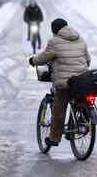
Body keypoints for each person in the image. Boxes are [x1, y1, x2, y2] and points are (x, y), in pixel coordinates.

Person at [29, 18, 91, 146]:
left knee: (59, 108)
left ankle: (54, 138)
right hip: (82, 80)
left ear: (55, 30)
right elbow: (88, 60)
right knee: (80, 98)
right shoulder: (80, 39)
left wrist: (33, 60)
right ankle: (82, 121)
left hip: (66, 82)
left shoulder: (55, 41)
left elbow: (43, 58)